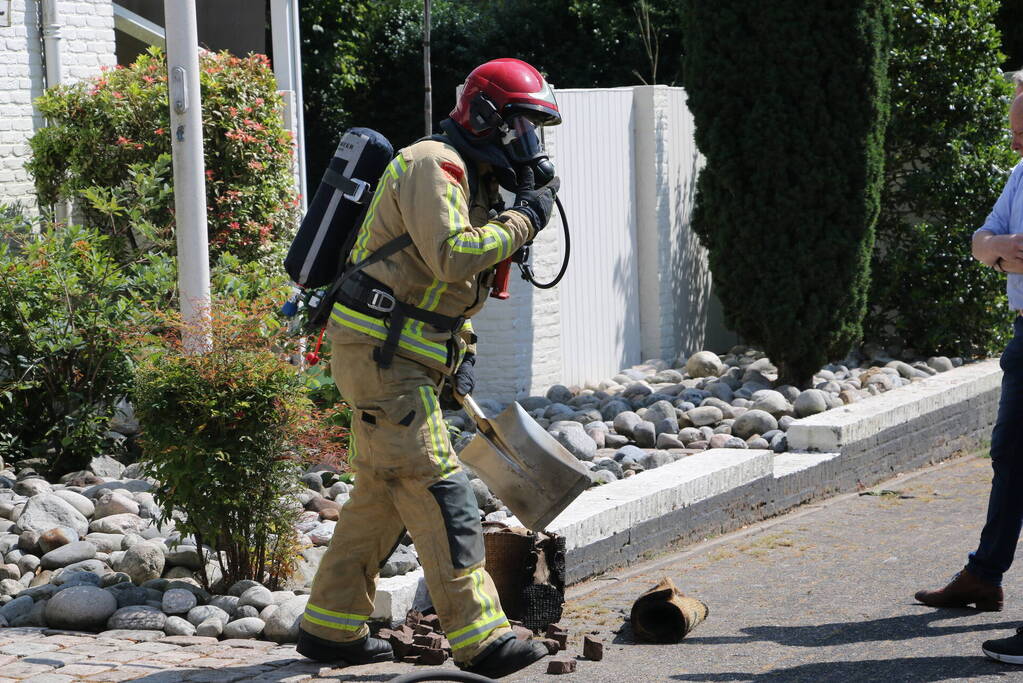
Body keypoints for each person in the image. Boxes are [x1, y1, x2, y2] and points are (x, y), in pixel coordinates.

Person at [295, 58, 562, 679]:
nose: (530, 145)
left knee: (379, 497)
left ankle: (330, 627)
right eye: (522, 128)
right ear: (486, 116)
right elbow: (450, 257)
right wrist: (526, 219)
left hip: (399, 359)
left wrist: (458, 357)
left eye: (537, 132)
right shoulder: (431, 165)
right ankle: (483, 639)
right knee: (443, 491)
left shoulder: (475, 176)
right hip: (382, 362)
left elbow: (443, 296)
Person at [913, 94, 1023, 664]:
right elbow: (983, 240)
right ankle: (984, 576)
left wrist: (1000, 253)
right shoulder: (1022, 171)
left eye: (1022, 131)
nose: (1014, 142)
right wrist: (1001, 252)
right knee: (1009, 454)